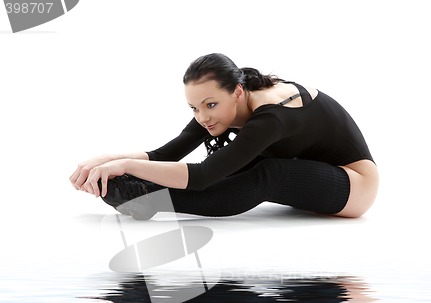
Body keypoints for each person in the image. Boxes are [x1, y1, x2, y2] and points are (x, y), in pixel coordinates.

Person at [70, 53, 379, 219]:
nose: (203, 117)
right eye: (194, 108)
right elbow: (166, 154)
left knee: (265, 173)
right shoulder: (225, 107)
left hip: (354, 185)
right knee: (234, 164)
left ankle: (147, 199)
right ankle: (144, 193)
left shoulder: (271, 116)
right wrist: (107, 160)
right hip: (312, 174)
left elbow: (203, 175)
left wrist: (128, 171)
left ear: (237, 92)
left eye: (210, 105)